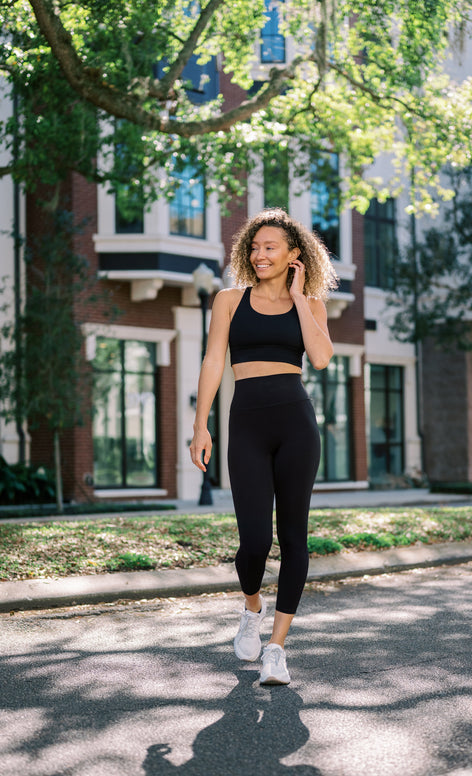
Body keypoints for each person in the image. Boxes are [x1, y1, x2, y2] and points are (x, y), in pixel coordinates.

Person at [190, 207, 338, 685]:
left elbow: (320, 357)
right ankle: (251, 607)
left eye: (270, 247)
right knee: (254, 540)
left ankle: (277, 648)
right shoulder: (229, 300)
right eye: (254, 247)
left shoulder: (310, 303)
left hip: (296, 424)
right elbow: (214, 361)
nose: (259, 255)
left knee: (295, 537)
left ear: (295, 254)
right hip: (247, 423)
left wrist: (298, 298)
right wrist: (201, 425)